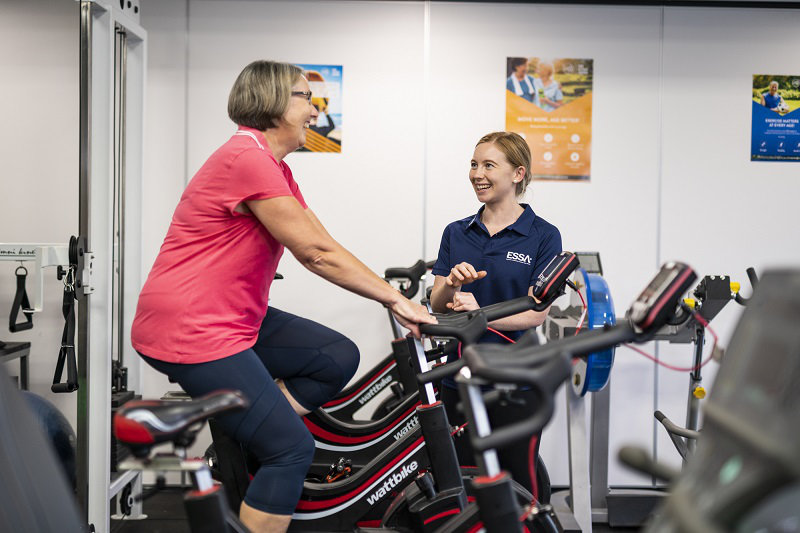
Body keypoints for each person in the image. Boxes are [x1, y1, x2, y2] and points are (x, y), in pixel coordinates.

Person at [130, 60, 434, 533]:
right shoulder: (245, 158)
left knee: (334, 356)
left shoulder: (274, 166)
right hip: (193, 327)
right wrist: (396, 300)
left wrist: (388, 293)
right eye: (304, 97)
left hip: (232, 318)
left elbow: (320, 239)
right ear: (273, 102)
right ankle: (267, 441)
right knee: (291, 449)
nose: (314, 110)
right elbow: (315, 254)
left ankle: (252, 428)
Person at [430, 131, 562, 497]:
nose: (477, 174)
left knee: (519, 482)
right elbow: (438, 303)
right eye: (474, 164)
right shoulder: (456, 232)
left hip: (516, 382)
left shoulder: (542, 235)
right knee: (461, 482)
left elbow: (537, 312)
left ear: (518, 174)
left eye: (489, 165)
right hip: (459, 377)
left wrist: (481, 314)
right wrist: (451, 285)